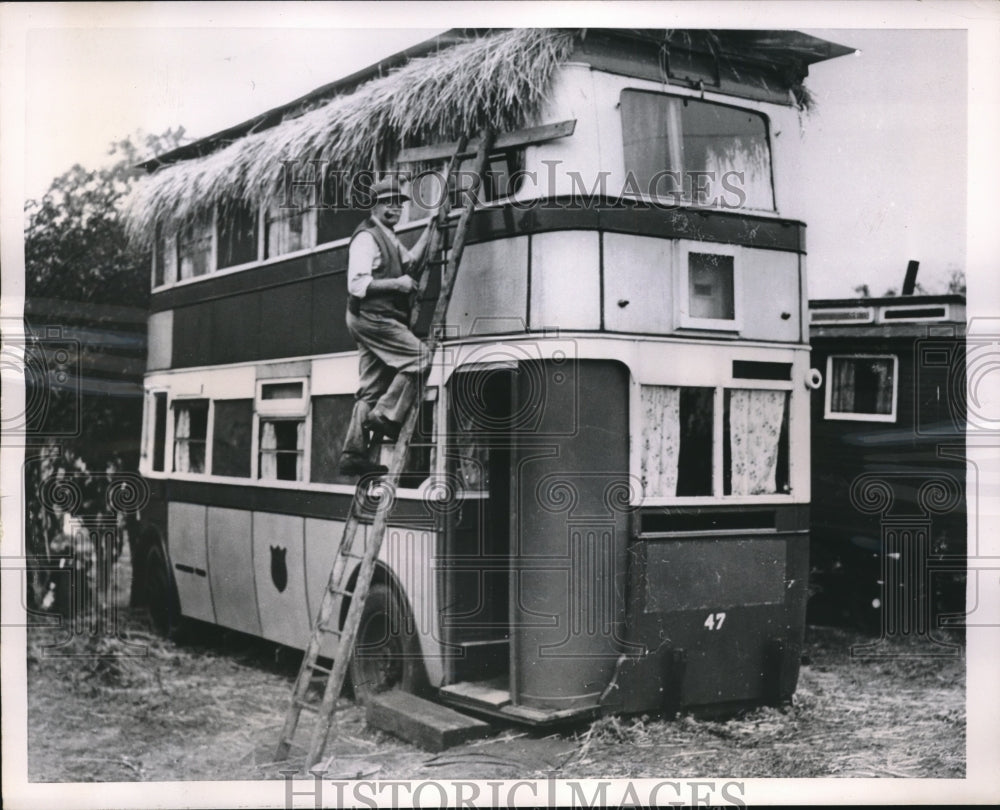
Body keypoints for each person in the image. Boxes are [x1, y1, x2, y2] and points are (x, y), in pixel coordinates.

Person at [339, 176, 436, 476]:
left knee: (370, 389)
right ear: (375, 206)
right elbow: (357, 284)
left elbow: (411, 264)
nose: (396, 208)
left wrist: (431, 228)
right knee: (420, 358)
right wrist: (399, 284)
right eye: (389, 203)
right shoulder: (366, 238)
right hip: (371, 317)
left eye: (400, 203)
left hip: (374, 317)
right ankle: (385, 415)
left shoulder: (388, 235)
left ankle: (352, 454)